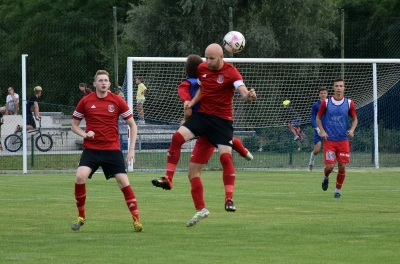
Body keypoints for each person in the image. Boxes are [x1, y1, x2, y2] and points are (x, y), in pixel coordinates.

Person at [152, 44, 257, 226]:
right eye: (206, 58)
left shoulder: (232, 72)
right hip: (204, 117)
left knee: (225, 158)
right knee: (177, 138)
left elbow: (242, 92)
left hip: (222, 121)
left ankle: (229, 199)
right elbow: (202, 89)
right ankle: (168, 178)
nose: (207, 61)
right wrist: (191, 103)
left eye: (211, 58)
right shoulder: (201, 68)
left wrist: (249, 96)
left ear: (221, 56)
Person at [70, 70, 143, 232]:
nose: (103, 83)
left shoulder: (117, 101)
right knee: (80, 176)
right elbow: (74, 126)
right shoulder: (85, 101)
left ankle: (136, 220)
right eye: (100, 80)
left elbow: (133, 125)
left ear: (109, 84)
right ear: (95, 84)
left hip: (111, 149)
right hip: (92, 149)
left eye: (106, 80)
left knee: (123, 182)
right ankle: (81, 216)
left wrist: (131, 150)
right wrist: (85, 134)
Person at [178, 54, 253, 161]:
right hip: (216, 118)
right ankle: (244, 151)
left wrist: (186, 122)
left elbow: (188, 110)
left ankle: (169, 175)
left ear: (186, 71)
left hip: (201, 122)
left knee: (194, 169)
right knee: (225, 139)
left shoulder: (185, 85)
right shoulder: (208, 81)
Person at [316, 77, 358, 198]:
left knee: (342, 166)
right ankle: (326, 176)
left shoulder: (349, 103)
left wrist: (352, 130)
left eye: (341, 86)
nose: (339, 88)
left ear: (344, 88)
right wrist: (322, 131)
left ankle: (337, 191)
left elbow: (355, 119)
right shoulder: (326, 102)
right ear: (333, 88)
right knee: (329, 167)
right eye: (336, 86)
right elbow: (318, 118)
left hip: (343, 140)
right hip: (329, 140)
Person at [308, 86, 328, 172]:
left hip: (329, 129)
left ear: (327, 94)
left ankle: (329, 167)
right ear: (319, 94)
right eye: (321, 93)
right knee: (317, 149)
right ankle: (311, 163)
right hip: (319, 130)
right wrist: (317, 128)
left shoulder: (331, 104)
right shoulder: (316, 106)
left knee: (330, 149)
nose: (323, 95)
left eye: (324, 93)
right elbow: (313, 118)